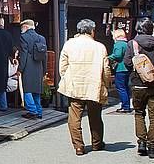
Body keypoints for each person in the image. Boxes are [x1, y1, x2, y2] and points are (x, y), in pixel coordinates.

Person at [57, 19, 111, 155]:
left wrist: (66, 78)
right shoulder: (99, 47)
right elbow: (106, 69)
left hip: (75, 84)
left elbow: (62, 66)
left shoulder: (69, 44)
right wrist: (107, 83)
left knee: (74, 116)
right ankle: (97, 143)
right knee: (95, 116)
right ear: (92, 31)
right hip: (94, 84)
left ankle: (79, 146)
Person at [124, 18, 154, 159]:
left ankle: (141, 143)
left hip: (137, 84)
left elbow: (127, 62)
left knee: (139, 113)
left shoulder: (132, 44)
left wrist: (137, 71)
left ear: (137, 29)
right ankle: (152, 146)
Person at [18, 19, 48, 119]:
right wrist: (44, 70)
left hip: (28, 67)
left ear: (26, 27)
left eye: (22, 27)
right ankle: (39, 111)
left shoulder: (24, 37)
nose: (21, 29)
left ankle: (32, 111)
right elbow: (45, 56)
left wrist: (20, 69)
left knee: (27, 90)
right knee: (36, 90)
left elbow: (24, 55)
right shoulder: (42, 38)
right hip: (39, 66)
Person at [108, 29, 132, 113]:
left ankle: (125, 106)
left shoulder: (118, 44)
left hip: (120, 68)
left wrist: (108, 57)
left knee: (120, 87)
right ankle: (127, 105)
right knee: (125, 87)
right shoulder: (126, 43)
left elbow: (117, 55)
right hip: (127, 68)